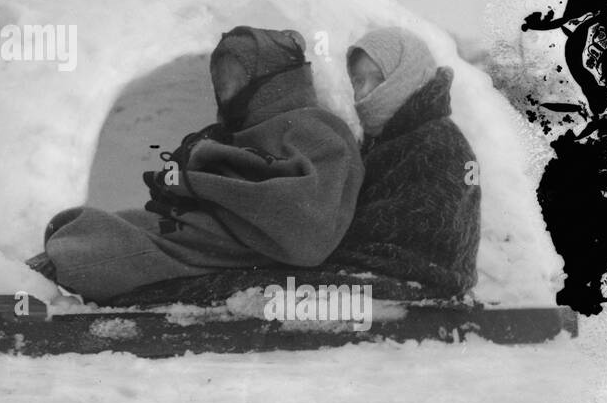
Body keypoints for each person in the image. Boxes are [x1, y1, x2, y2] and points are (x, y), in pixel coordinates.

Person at [31, 27, 364, 304]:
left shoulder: (317, 129)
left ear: (271, 80)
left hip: (244, 242)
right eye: (221, 82)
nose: (227, 91)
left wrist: (202, 182)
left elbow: (306, 225)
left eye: (237, 79)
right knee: (124, 226)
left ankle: (35, 281)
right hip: (214, 231)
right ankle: (44, 268)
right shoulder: (236, 132)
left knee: (123, 245)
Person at [326, 27, 481, 296]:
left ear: (407, 76)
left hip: (422, 283)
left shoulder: (441, 142)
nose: (363, 93)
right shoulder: (387, 138)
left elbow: (425, 229)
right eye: (357, 81)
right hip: (388, 276)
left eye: (377, 79)